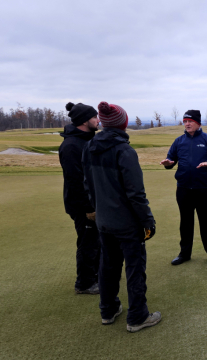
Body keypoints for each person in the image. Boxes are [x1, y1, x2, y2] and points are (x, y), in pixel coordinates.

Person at [82, 101, 161, 332]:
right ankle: (137, 316)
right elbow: (136, 194)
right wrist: (148, 221)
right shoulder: (125, 151)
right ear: (123, 123)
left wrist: (99, 211)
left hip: (104, 221)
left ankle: (108, 310)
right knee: (135, 268)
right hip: (127, 224)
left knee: (108, 265)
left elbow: (88, 185)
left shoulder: (89, 147)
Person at [160, 110, 207, 265]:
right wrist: (168, 164)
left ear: (198, 123)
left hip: (204, 188)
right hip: (183, 188)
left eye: (190, 121)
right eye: (185, 121)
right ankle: (184, 254)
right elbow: (171, 160)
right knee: (186, 222)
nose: (187, 124)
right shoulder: (179, 141)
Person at [59, 102, 100, 295]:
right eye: (95, 117)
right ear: (85, 121)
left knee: (96, 241)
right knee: (88, 243)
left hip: (93, 202)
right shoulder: (71, 146)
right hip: (82, 206)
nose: (98, 119)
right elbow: (76, 181)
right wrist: (89, 207)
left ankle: (96, 276)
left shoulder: (87, 140)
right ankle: (84, 283)